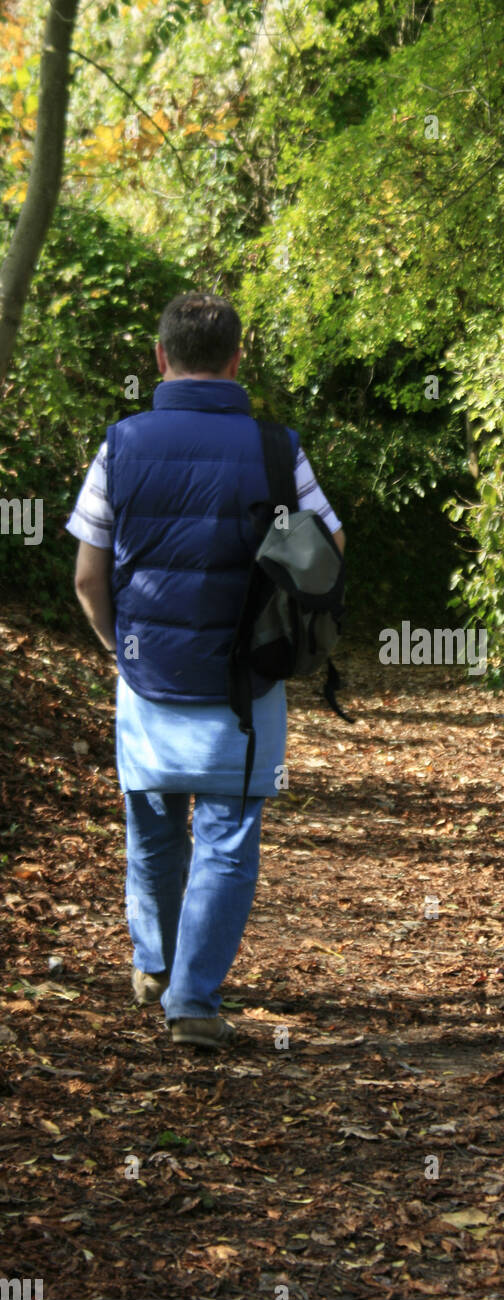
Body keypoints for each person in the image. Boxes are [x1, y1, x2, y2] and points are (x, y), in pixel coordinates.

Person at [66, 292, 345, 1050]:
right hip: (244, 684)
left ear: (161, 358)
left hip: (146, 674)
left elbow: (89, 576)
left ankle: (153, 965)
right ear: (235, 359)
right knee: (228, 838)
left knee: (153, 828)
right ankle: (192, 1002)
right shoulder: (273, 448)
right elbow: (329, 550)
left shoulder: (120, 445)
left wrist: (115, 646)